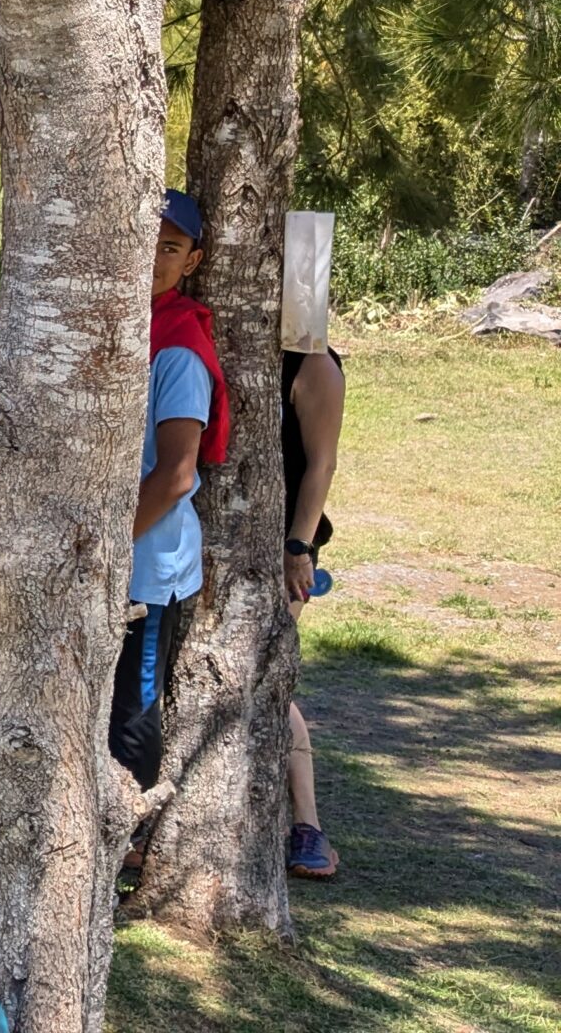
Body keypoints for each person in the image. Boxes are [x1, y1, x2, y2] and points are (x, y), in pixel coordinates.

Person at [110, 190, 228, 790]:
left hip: (145, 563)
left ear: (193, 261)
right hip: (112, 556)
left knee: (133, 701)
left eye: (170, 247)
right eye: (144, 241)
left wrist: (105, 550)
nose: (153, 257)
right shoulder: (120, 325)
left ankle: (128, 841)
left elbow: (176, 473)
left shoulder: (177, 346)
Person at [283, 335, 346, 878]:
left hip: (285, 549)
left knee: (264, 678)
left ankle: (309, 827)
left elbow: (321, 465)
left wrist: (299, 547)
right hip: (203, 541)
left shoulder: (315, 363)